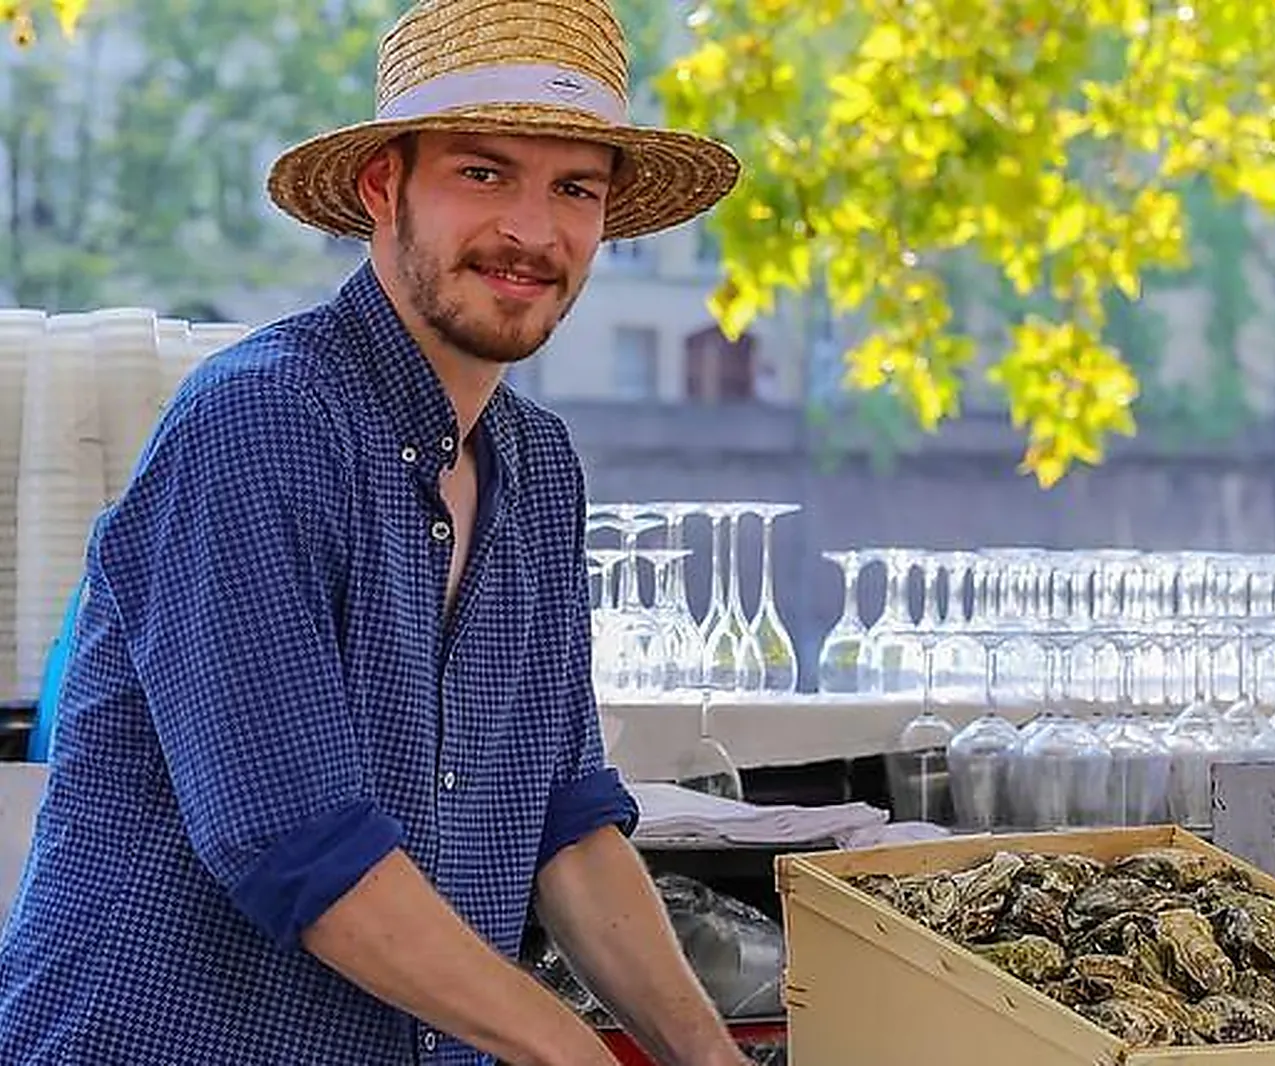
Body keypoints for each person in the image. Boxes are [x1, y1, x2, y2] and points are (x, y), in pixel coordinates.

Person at [0, 1, 750, 1064]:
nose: (533, 233)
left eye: (573, 188)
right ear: (380, 187)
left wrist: (709, 1058)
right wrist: (570, 1050)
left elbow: (567, 823)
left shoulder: (537, 468)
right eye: (482, 174)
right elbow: (299, 845)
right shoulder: (262, 421)